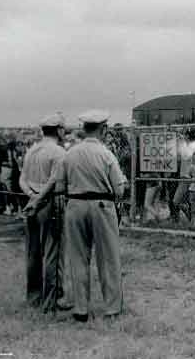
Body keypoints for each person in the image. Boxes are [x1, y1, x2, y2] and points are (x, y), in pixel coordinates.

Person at [55, 110, 127, 322]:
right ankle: (112, 308)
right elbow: (119, 190)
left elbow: (59, 185)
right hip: (102, 205)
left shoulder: (70, 153)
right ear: (103, 129)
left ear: (84, 129)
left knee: (78, 258)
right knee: (108, 258)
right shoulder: (106, 154)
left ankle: (80, 309)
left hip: (75, 205)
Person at [19, 113, 72, 312]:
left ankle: (33, 298)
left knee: (33, 252)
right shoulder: (59, 152)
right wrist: (40, 199)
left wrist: (32, 197)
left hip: (31, 202)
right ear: (58, 130)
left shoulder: (32, 150)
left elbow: (22, 179)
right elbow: (53, 180)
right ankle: (52, 300)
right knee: (53, 252)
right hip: (50, 203)